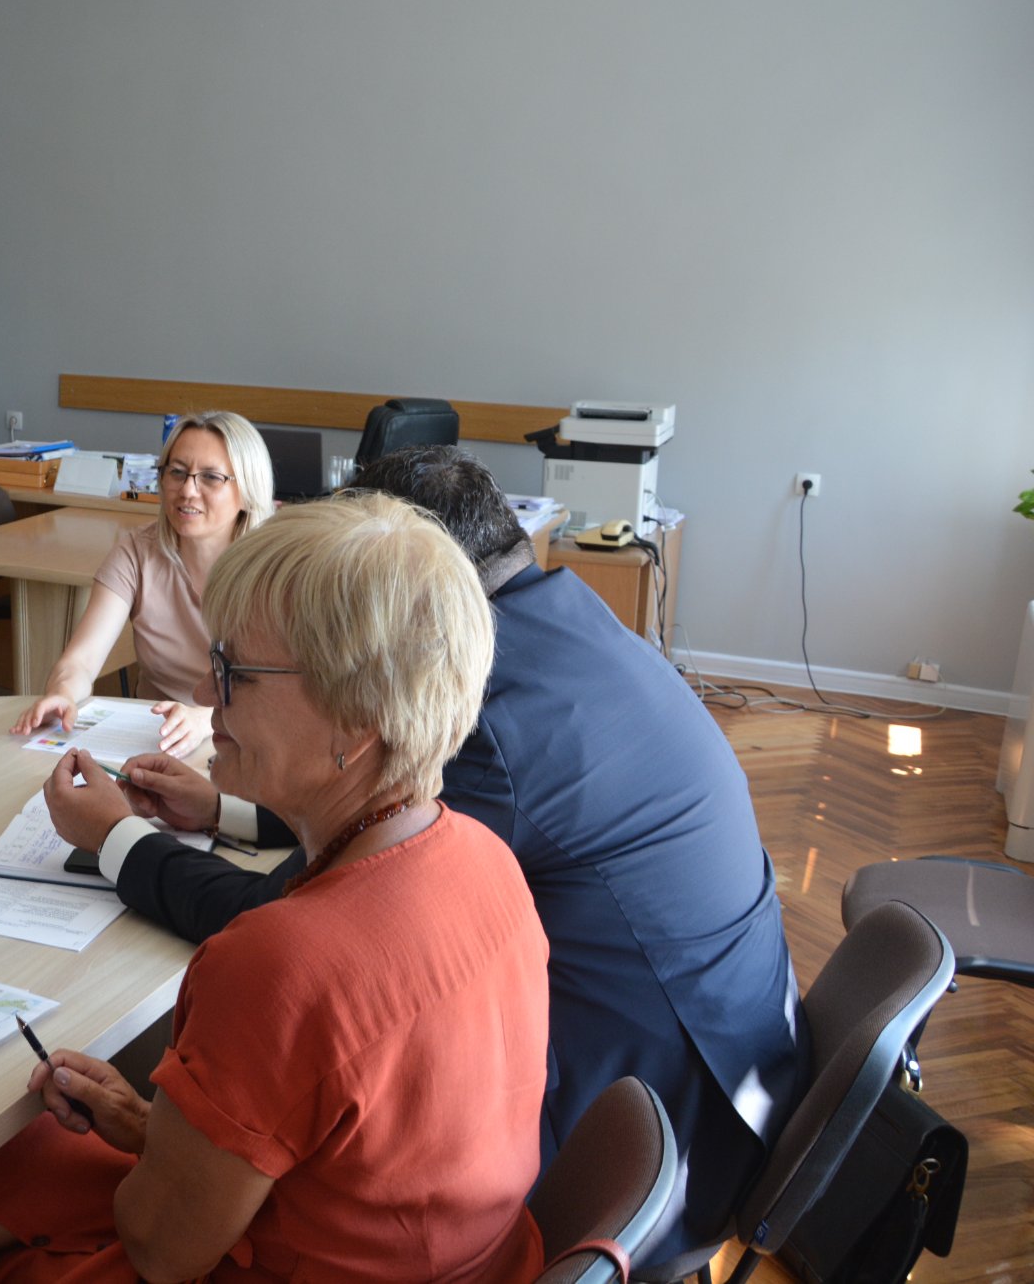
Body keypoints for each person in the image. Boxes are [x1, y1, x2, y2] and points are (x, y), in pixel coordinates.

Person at [54, 446, 806, 1268]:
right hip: (726, 1062)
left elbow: (294, 934)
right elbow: (372, 798)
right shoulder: (565, 621)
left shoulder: (496, 731)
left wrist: (115, 837)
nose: (208, 692)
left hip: (663, 1126)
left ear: (384, 617)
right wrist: (224, 806)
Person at [0, 497, 549, 1284]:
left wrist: (163, 1148)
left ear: (356, 719)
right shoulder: (486, 858)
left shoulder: (280, 959)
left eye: (232, 670)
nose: (203, 686)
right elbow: (355, 1133)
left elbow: (161, 1248)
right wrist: (158, 1128)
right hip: (459, 1257)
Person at [10, 411, 274, 758]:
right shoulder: (137, 552)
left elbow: (277, 692)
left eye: (210, 477)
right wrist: (62, 693)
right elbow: (82, 660)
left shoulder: (272, 571)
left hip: (244, 741)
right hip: (154, 742)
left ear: (248, 490)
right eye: (177, 472)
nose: (188, 490)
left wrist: (204, 719)